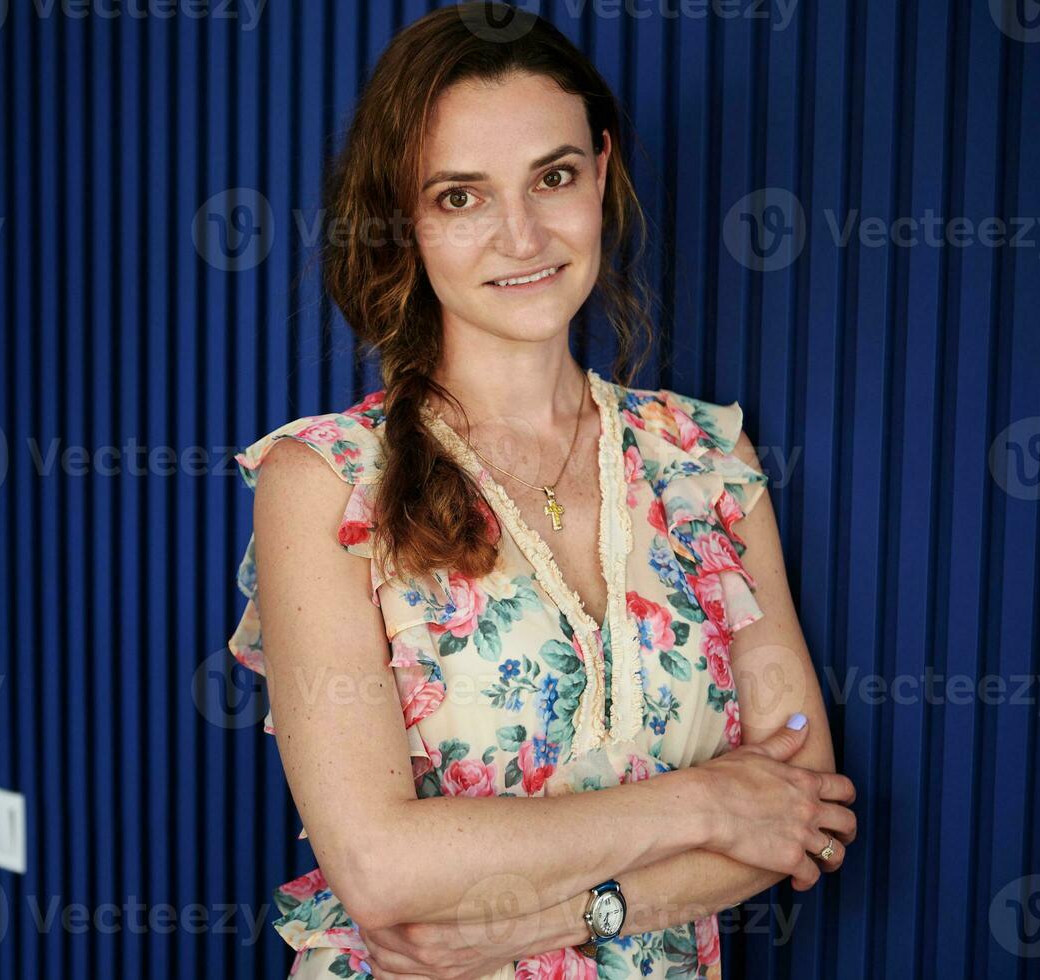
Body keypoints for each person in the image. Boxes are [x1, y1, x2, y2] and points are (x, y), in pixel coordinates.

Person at [226, 5, 857, 978]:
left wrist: (554, 912)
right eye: (461, 196)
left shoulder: (703, 458)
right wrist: (708, 802)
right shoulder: (327, 480)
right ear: (404, 216)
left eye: (553, 177)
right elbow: (383, 867)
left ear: (600, 174)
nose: (522, 236)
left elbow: (803, 799)